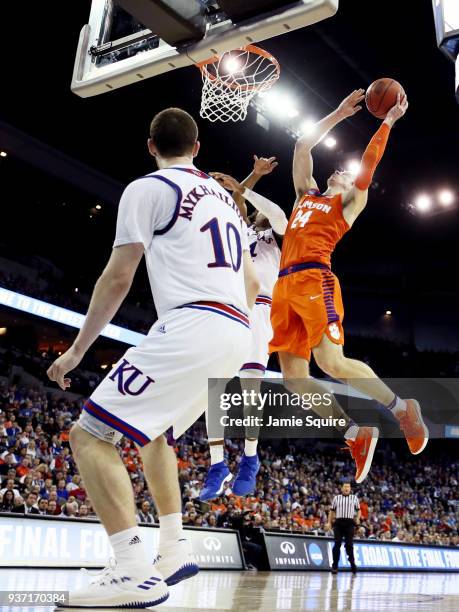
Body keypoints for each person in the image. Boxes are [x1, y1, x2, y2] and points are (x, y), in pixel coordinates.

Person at [47, 107, 259, 608]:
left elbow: (119, 276)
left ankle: (131, 569)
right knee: (153, 432)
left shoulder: (149, 188)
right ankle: (173, 546)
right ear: (198, 147)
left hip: (196, 322)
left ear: (150, 146)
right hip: (237, 329)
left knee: (90, 433)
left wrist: (78, 349)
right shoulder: (229, 202)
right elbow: (251, 284)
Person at [263, 90, 428, 482]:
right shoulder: (306, 194)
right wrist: (337, 112)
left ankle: (402, 407)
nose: (339, 171)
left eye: (344, 173)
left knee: (331, 362)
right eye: (337, 170)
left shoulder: (349, 203)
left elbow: (368, 165)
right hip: (283, 286)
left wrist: (387, 123)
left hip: (314, 277)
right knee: (294, 379)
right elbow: (303, 145)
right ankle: (355, 433)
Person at [200, 155, 288, 500]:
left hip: (260, 312)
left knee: (250, 392)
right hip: (228, 306)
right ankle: (217, 463)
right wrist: (250, 177)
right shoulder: (241, 229)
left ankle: (250, 458)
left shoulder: (282, 237)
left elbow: (277, 215)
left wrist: (247, 185)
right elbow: (235, 202)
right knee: (214, 389)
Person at [326, 482, 360, 574]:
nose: (346, 488)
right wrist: (329, 522)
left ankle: (352, 563)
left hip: (349, 523)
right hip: (339, 523)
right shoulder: (336, 498)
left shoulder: (354, 498)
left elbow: (358, 510)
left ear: (350, 489)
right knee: (337, 543)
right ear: (341, 488)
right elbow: (332, 511)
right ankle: (335, 565)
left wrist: (357, 518)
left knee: (349, 545)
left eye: (348, 487)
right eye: (345, 486)